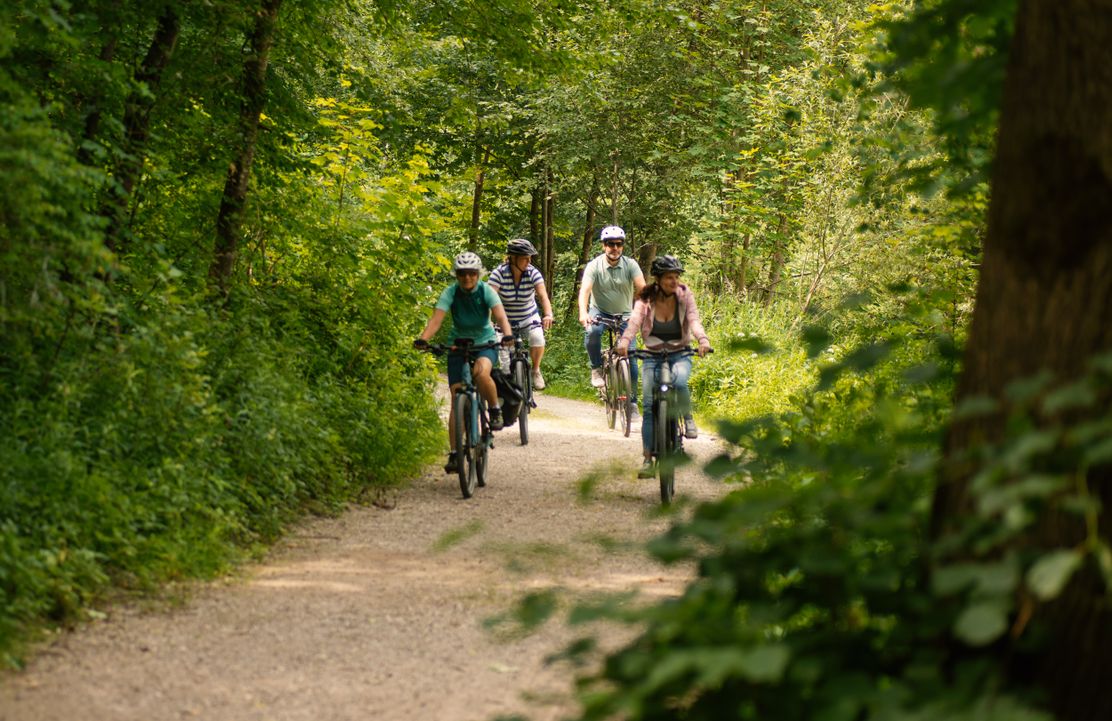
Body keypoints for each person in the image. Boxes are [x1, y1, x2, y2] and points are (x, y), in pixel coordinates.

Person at [414, 251, 515, 474]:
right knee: (456, 395)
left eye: (471, 274)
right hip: (457, 344)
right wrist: (423, 339)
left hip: (485, 343)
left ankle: (495, 410)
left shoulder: (486, 291)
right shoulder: (450, 292)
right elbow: (436, 320)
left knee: (481, 373)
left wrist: (507, 336)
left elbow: (501, 317)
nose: (467, 278)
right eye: (462, 274)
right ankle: (454, 453)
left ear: (478, 274)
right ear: (457, 275)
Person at [615, 254, 711, 479]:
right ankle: (648, 459)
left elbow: (694, 319)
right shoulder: (645, 298)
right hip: (652, 355)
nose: (674, 281)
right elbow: (635, 322)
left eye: (676, 276)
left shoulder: (685, 294)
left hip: (680, 353)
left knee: (679, 381)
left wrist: (703, 340)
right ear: (658, 279)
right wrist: (624, 342)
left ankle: (687, 418)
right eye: (669, 277)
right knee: (649, 406)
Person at [577, 225, 646, 411]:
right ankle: (596, 368)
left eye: (619, 244)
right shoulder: (594, 266)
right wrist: (583, 313)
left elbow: (642, 289)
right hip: (599, 311)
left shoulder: (631, 265)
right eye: (610, 244)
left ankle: (632, 402)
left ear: (622, 246)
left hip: (625, 315)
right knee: (592, 332)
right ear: (603, 246)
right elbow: (585, 291)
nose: (615, 248)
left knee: (630, 357)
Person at [487, 238, 554, 390]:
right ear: (513, 258)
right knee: (505, 366)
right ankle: (509, 398)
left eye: (530, 258)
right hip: (504, 322)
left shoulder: (533, 273)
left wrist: (548, 314)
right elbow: (489, 300)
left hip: (528, 317)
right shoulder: (499, 274)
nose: (529, 262)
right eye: (525, 258)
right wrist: (487, 321)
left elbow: (543, 296)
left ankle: (535, 370)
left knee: (537, 338)